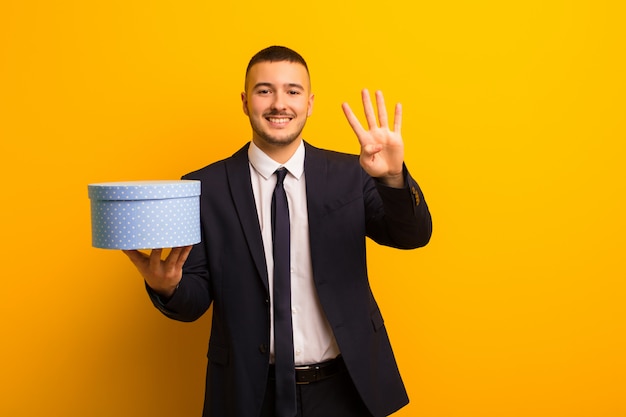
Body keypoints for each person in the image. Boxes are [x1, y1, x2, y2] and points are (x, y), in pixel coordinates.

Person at [124, 45, 432, 417]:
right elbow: (194, 302)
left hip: (345, 389)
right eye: (264, 90)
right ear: (244, 100)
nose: (278, 103)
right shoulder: (203, 188)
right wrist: (166, 287)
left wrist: (392, 177)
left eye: (292, 91)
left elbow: (411, 236)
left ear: (310, 102)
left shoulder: (353, 175)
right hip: (248, 393)